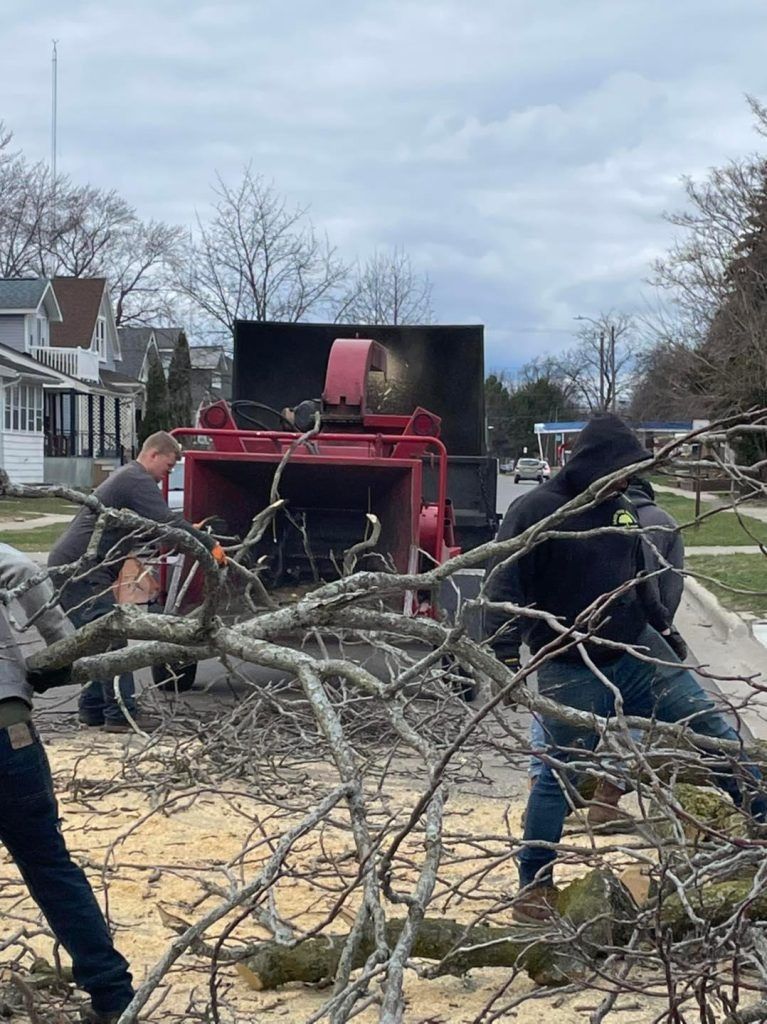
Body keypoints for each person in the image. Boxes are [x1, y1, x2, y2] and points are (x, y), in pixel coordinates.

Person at [484, 414, 766, 922]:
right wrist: (504, 655)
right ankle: (534, 885)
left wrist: (666, 631)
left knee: (716, 734)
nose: (625, 480)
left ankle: (760, 818)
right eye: (619, 470)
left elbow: (640, 578)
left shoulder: (622, 510)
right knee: (561, 776)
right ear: (594, 464)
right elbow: (502, 585)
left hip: (639, 650)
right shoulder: (537, 510)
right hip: (571, 663)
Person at [0, 542, 134, 1022]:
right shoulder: (5, 559)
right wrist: (59, 657)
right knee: (51, 870)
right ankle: (114, 996)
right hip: (8, 733)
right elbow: (25, 574)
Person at [526, 473, 687, 825]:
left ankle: (542, 790)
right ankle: (606, 799)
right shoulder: (664, 522)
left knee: (553, 716)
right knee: (635, 719)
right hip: (634, 636)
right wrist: (662, 632)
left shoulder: (575, 510)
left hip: (569, 637)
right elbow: (668, 587)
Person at [48, 431, 223, 733]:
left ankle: (93, 710)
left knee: (94, 642)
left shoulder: (128, 478)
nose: (166, 475)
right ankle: (120, 714)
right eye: (168, 468)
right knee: (111, 639)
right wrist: (208, 544)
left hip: (75, 567)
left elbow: (151, 530)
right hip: (80, 569)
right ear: (153, 454)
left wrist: (186, 533)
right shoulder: (135, 478)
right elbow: (167, 523)